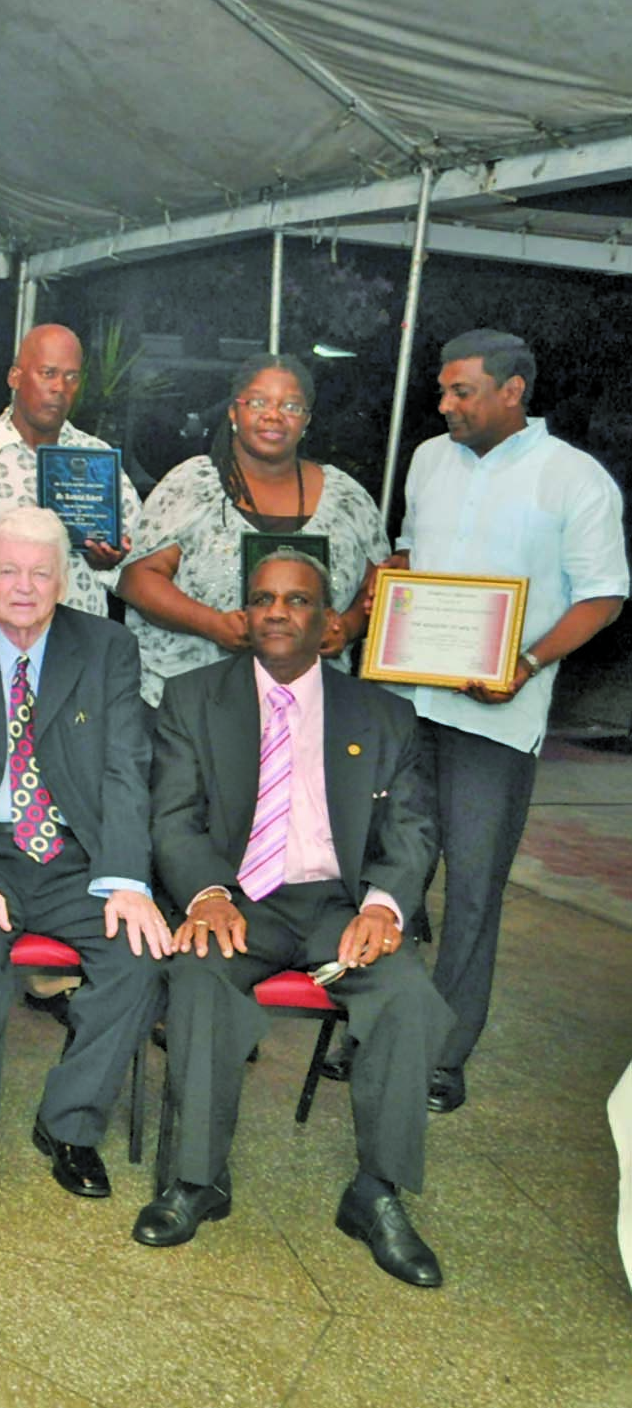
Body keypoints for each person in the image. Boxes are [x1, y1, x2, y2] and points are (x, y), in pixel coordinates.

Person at [144, 550, 450, 1286]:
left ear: (328, 621)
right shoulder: (192, 698)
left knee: (407, 996)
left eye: (297, 600)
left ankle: (376, 1192)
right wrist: (206, 893)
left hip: (339, 905)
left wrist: (383, 905)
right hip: (238, 900)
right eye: (262, 598)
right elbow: (172, 817)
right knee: (199, 974)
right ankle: (198, 1179)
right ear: (246, 614)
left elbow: (413, 828)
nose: (277, 611)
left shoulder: (384, 715)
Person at [0, 505, 167, 1279]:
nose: (23, 586)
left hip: (73, 852)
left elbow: (125, 767)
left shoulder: (107, 648)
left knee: (137, 956)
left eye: (39, 572)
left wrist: (125, 878)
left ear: (63, 581)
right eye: (8, 571)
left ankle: (68, 1122)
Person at [392, 329, 625, 1114]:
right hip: (411, 703)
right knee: (391, 873)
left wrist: (523, 663)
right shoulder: (427, 460)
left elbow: (602, 595)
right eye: (441, 389)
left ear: (512, 389)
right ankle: (376, 1024)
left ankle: (441, 1051)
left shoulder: (573, 478)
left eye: (460, 391)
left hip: (497, 719)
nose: (443, 404)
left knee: (471, 888)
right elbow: (406, 559)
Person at [118, 354, 387, 706]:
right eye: (258, 402)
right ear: (233, 412)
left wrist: (346, 628)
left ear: (306, 420)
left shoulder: (346, 497)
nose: (273, 415)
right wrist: (212, 624)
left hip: (309, 707)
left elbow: (379, 589)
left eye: (291, 406)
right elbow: (137, 579)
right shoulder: (192, 483)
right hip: (194, 707)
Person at [0, 324, 141, 623]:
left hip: (81, 640)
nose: (60, 387)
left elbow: (141, 559)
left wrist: (111, 561)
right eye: (48, 373)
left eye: (71, 377)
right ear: (15, 377)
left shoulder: (97, 458)